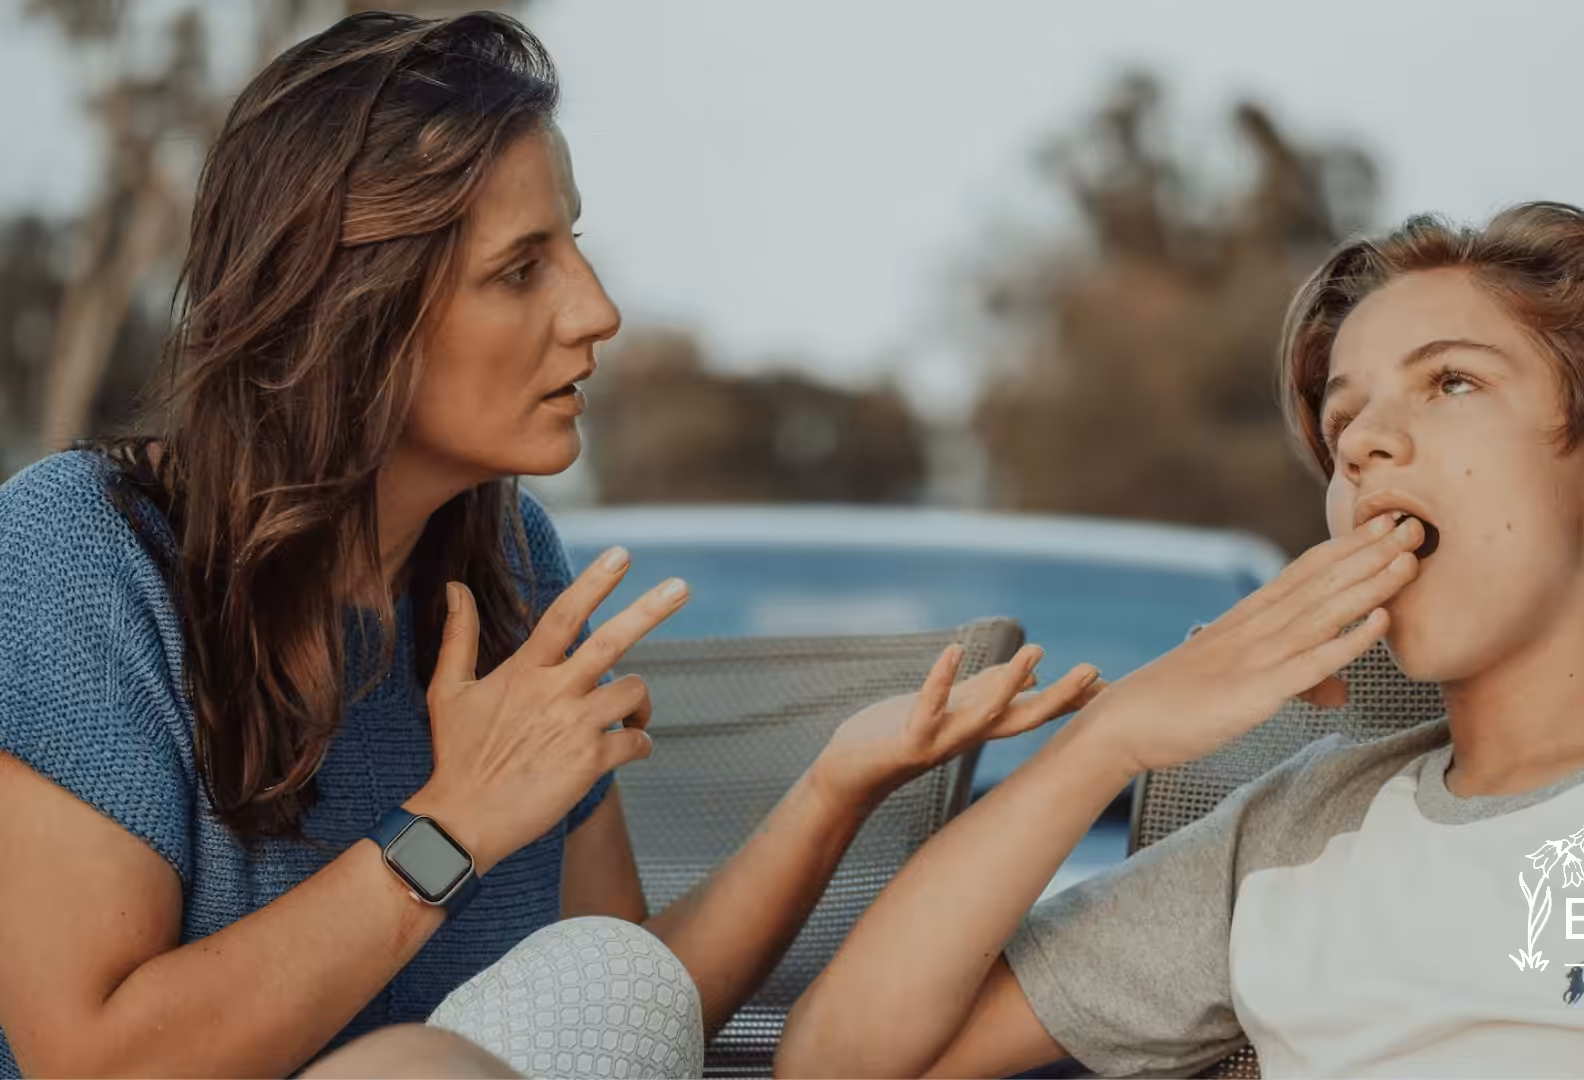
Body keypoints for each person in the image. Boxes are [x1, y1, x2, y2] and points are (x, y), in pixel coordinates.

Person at [0, 12, 1103, 1078]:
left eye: (571, 247)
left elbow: (618, 1004)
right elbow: (96, 1061)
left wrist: (830, 793)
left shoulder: (510, 563)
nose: (598, 309)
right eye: (521, 269)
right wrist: (452, 827)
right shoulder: (79, 554)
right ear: (351, 310)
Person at [776, 203, 1584, 1079]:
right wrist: (1108, 743)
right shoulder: (1292, 835)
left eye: (1452, 383)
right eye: (1343, 423)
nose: (1367, 444)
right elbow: (836, 1060)